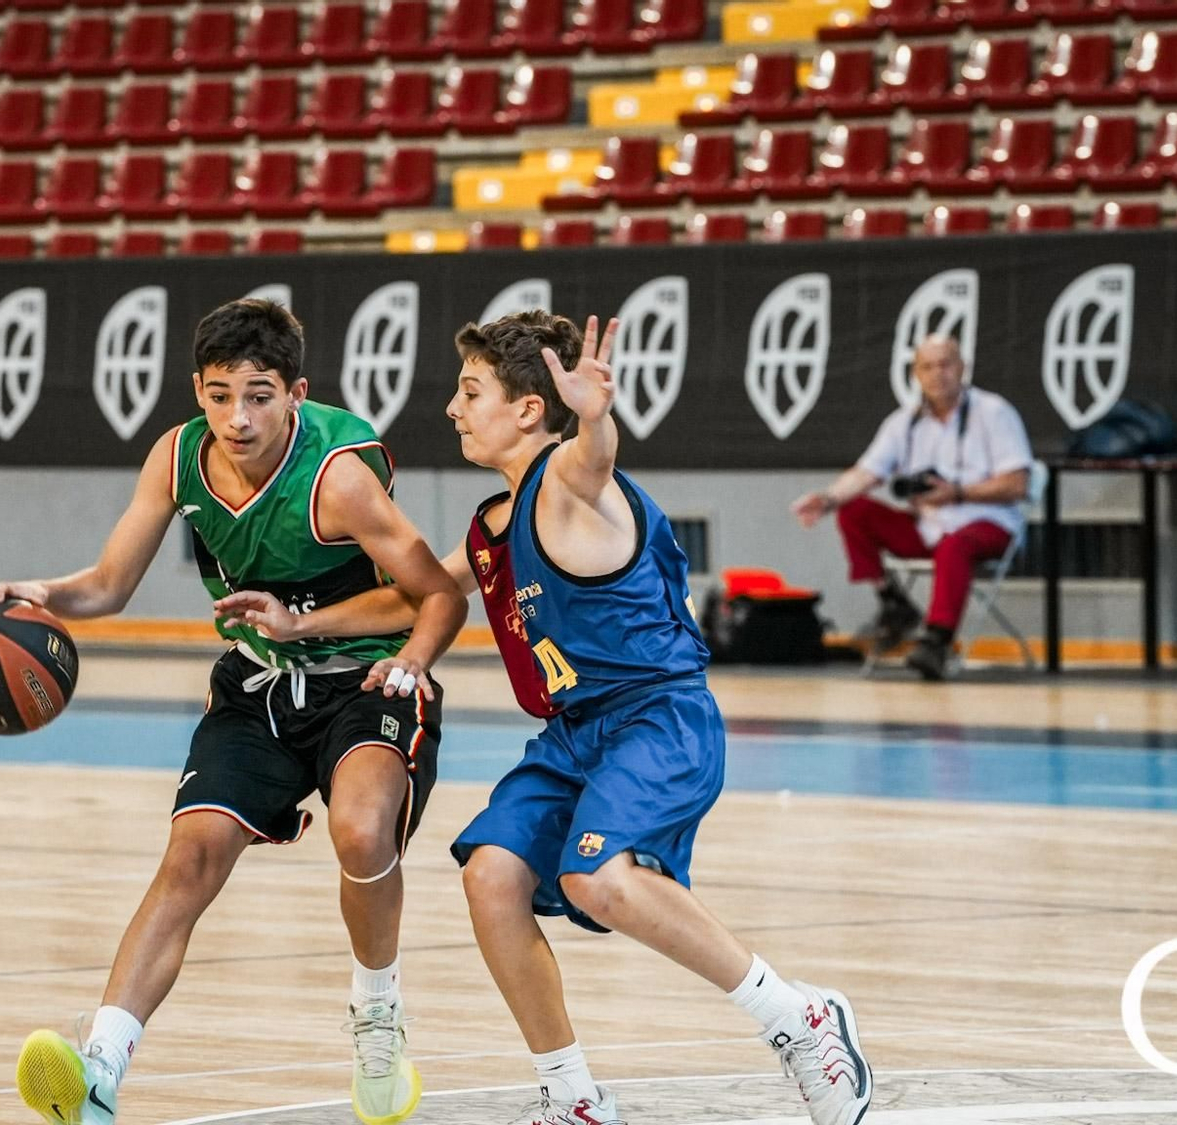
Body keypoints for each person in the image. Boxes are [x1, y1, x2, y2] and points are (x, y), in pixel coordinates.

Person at [289, 309, 874, 1125]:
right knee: (491, 874)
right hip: (575, 732)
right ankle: (574, 1098)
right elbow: (420, 593)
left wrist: (595, 414)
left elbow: (592, 462)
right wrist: (299, 624)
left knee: (595, 877)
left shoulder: (565, 482)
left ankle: (797, 1017)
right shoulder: (496, 521)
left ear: (529, 407)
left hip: (655, 716)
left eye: (471, 391)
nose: (453, 409)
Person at [0, 298, 467, 1125]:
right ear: (197, 387)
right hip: (258, 683)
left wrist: (396, 657)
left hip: (366, 677)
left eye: (259, 395)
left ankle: (378, 1015)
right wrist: (39, 594)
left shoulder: (338, 479)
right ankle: (99, 1070)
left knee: (364, 832)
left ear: (295, 392)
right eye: (221, 393)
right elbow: (111, 584)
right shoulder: (177, 456)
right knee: (191, 854)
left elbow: (435, 596)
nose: (238, 416)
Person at [791, 335, 1032, 680]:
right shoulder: (905, 422)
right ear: (916, 374)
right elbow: (866, 472)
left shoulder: (993, 412)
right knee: (855, 510)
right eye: (928, 367)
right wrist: (827, 499)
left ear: (962, 367)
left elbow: (1016, 484)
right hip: (929, 526)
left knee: (956, 543)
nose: (938, 374)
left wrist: (958, 493)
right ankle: (893, 601)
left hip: (986, 522)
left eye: (946, 364)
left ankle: (936, 640)